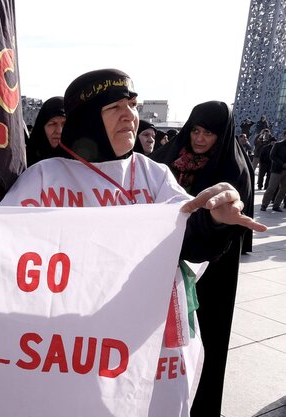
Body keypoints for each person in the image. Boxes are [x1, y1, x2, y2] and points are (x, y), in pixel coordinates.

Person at [0, 69, 265, 415]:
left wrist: (215, 221)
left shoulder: (153, 174)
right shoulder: (45, 177)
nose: (129, 114)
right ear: (86, 119)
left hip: (137, 342)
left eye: (131, 103)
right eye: (114, 107)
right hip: (68, 346)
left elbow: (185, 238)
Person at [150, 100, 257, 416]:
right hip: (163, 264)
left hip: (212, 270)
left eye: (208, 133)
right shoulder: (169, 158)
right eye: (195, 130)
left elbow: (232, 227)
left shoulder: (232, 169)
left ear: (221, 135)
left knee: (202, 341)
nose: (199, 139)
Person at [25, 96, 66, 166]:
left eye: (64, 124)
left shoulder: (81, 161)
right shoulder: (25, 160)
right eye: (53, 124)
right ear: (42, 126)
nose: (59, 131)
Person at [261, 131, 286, 212]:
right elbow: (272, 156)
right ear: (284, 135)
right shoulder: (278, 145)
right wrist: (282, 164)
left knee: (283, 189)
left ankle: (276, 205)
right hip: (277, 170)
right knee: (271, 188)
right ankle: (264, 205)